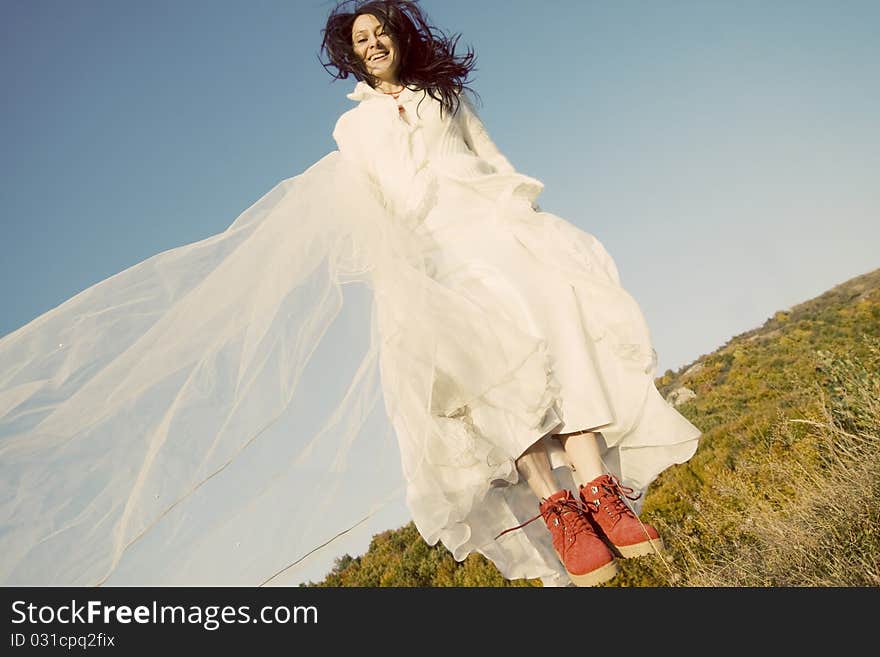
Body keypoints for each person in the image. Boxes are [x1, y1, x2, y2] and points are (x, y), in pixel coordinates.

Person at [0, 0, 701, 588]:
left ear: (400, 38)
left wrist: (529, 216)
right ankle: (557, 506)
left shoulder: (444, 96)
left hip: (496, 222)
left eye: (381, 33)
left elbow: (494, 160)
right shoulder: (351, 128)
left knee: (560, 325)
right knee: (491, 370)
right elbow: (371, 206)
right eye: (360, 40)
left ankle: (599, 493)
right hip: (434, 253)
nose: (373, 45)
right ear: (352, 54)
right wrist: (406, 274)